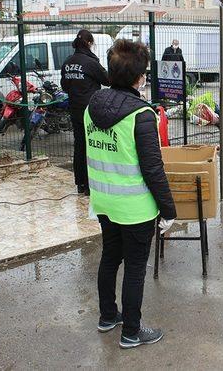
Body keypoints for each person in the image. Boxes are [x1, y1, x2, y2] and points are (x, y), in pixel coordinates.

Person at [86, 39, 176, 349]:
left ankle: (108, 316)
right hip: (135, 207)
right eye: (145, 73)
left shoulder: (91, 107)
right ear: (138, 78)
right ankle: (132, 332)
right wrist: (169, 210)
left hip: (104, 201)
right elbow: (153, 169)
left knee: (110, 257)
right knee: (135, 268)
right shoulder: (141, 114)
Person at [61, 29, 109, 195]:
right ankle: (91, 184)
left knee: (79, 145)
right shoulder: (91, 62)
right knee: (93, 145)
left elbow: (64, 86)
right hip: (90, 110)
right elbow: (107, 80)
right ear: (89, 43)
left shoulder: (68, 62)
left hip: (75, 109)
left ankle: (80, 183)